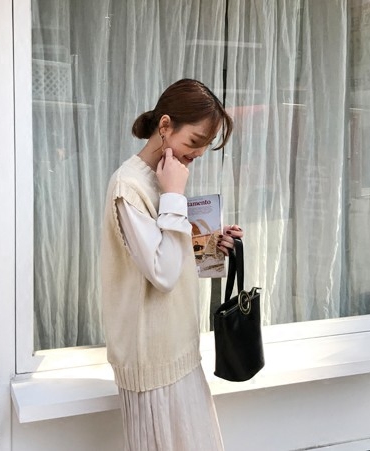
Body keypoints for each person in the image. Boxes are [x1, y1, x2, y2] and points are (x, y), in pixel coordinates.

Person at [101, 79, 243, 451]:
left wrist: (210, 246)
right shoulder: (129, 187)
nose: (198, 153)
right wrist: (176, 196)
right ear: (165, 125)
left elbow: (169, 257)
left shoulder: (162, 180)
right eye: (195, 141)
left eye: (205, 145)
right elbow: (163, 275)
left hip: (180, 349)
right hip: (153, 362)